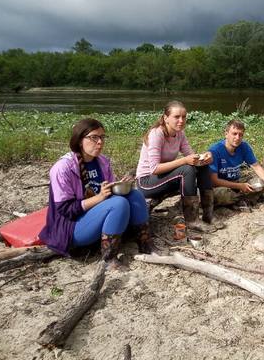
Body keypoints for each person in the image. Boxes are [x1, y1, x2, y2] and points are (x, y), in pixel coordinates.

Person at [39, 118, 154, 269]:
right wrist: (99, 197)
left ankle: (145, 244)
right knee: (119, 203)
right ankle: (108, 258)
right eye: (94, 137)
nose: (100, 142)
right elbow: (66, 210)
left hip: (95, 216)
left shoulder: (102, 161)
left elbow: (108, 191)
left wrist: (120, 185)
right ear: (80, 140)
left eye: (102, 137)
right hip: (72, 227)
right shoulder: (62, 168)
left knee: (134, 195)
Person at [136, 101, 214, 229]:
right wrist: (184, 161)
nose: (181, 120)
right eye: (176, 117)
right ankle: (192, 221)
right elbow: (154, 169)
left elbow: (191, 156)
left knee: (202, 166)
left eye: (184, 117)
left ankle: (208, 215)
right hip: (146, 183)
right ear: (166, 118)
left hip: (164, 178)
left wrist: (205, 158)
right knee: (186, 169)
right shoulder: (157, 134)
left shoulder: (180, 134)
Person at [209, 119, 264, 208]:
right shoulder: (215, 151)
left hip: (236, 181)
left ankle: (239, 200)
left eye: (240, 135)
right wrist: (239, 186)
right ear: (226, 134)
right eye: (234, 134)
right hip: (220, 186)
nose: (237, 138)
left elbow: (256, 167)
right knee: (223, 194)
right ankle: (244, 200)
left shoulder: (244, 146)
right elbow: (214, 181)